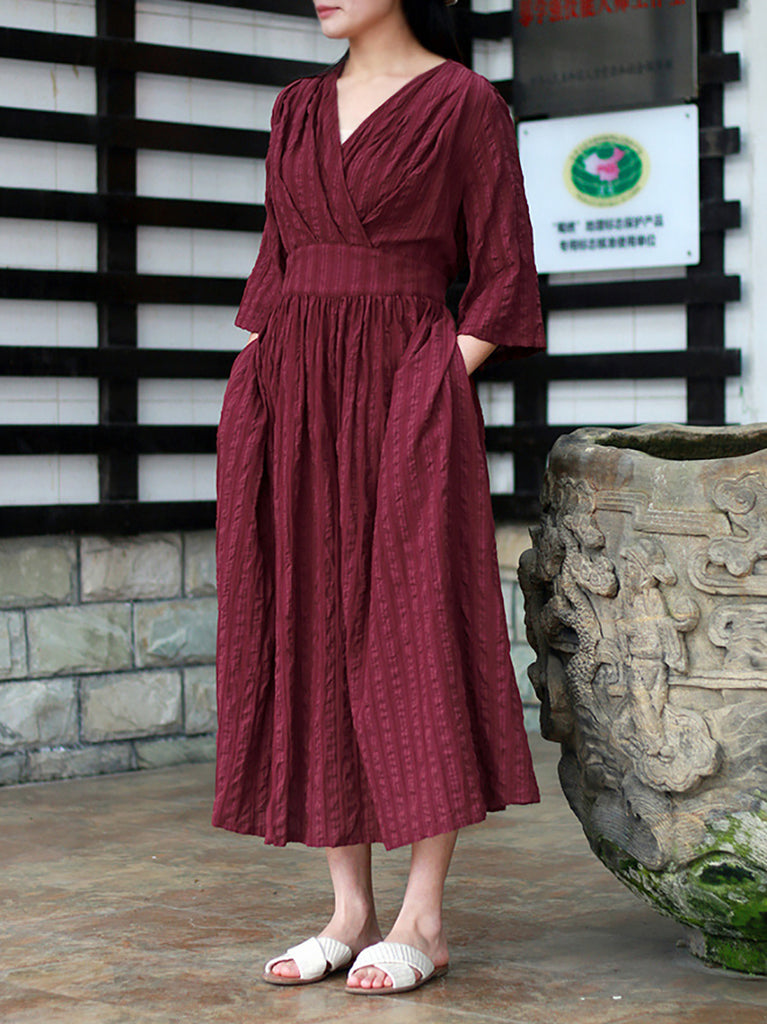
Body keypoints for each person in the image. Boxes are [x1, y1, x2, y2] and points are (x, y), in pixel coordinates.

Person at [213, 0, 545, 996]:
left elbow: (501, 275)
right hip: (291, 397)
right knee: (311, 631)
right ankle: (349, 911)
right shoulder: (294, 108)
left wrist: (431, 383)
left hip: (406, 395)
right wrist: (255, 389)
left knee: (411, 630)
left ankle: (422, 918)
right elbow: (274, 264)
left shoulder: (463, 103)